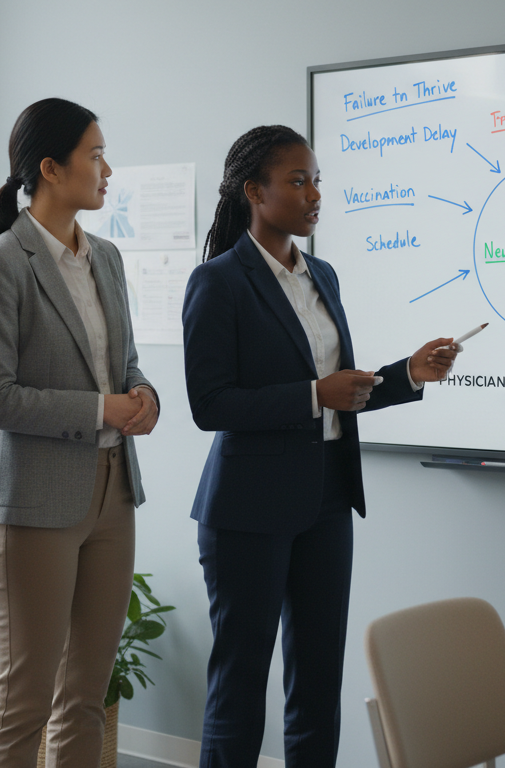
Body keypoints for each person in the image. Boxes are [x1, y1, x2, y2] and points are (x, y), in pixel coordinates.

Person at [182, 125, 459, 768]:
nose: (314, 195)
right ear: (255, 191)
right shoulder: (218, 282)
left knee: (318, 684)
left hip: (328, 499)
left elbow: (344, 389)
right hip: (248, 510)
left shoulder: (323, 275)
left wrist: (408, 374)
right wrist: (312, 395)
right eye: (297, 180)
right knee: (241, 685)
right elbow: (210, 405)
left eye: (317, 181)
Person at [0, 98, 159, 768]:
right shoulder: (0, 261)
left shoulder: (106, 258)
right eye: (94, 154)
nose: (108, 168)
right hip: (34, 503)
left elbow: (123, 364)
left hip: (112, 493)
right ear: (49, 167)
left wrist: (143, 397)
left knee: (85, 692)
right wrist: (100, 410)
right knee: (24, 698)